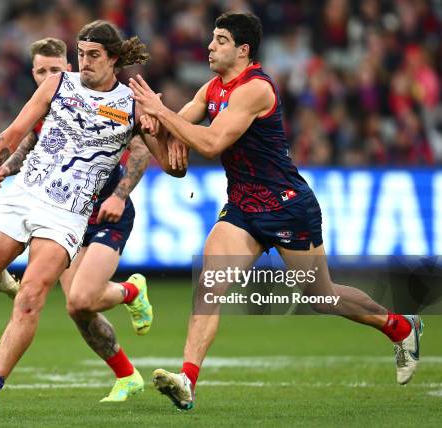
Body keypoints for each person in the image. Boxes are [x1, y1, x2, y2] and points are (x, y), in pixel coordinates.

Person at [130, 12, 424, 411]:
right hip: (242, 210)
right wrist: (148, 121)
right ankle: (188, 380)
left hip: (287, 209)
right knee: (209, 287)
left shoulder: (255, 89)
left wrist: (160, 116)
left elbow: (212, 143)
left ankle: (401, 326)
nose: (210, 46)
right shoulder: (212, 88)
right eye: (212, 38)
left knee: (321, 297)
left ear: (243, 49)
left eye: (220, 40)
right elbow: (174, 135)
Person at [0, 21, 154, 419]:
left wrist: (162, 127)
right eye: (81, 53)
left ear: (114, 59)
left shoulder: (134, 104)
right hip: (23, 197)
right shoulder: (58, 85)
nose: (83, 63)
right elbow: (13, 133)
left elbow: (168, 161)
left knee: (33, 296)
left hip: (67, 215)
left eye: (93, 56)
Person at [0, 37, 154, 404]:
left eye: (56, 69)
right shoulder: (47, 107)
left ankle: (130, 290)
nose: (50, 75)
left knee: (81, 299)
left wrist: (120, 194)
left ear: (70, 67)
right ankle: (126, 375)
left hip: (103, 212)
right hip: (61, 217)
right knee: (78, 307)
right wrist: (6, 168)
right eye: (41, 70)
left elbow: (141, 145)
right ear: (33, 74)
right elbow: (29, 145)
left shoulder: (101, 99)